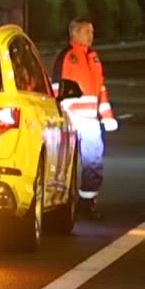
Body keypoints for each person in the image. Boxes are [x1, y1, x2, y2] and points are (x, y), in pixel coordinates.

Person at [51, 18, 118, 220]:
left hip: (90, 120)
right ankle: (62, 203)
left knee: (93, 162)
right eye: (87, 32)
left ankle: (87, 202)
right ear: (75, 33)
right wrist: (59, 115)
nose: (91, 36)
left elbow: (101, 89)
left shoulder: (94, 58)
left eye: (92, 32)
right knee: (65, 164)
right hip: (70, 119)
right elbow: (56, 88)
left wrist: (107, 116)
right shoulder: (67, 56)